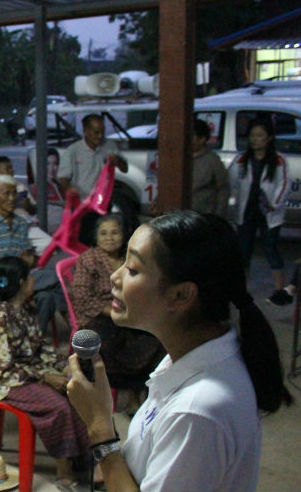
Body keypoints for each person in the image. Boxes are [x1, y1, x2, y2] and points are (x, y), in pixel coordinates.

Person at [65, 211, 293, 492]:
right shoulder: (191, 355)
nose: (115, 277)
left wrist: (100, 428)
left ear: (182, 295)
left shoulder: (196, 412)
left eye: (133, 269)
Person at [0, 257, 89, 487]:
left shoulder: (23, 308)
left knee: (77, 389)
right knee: (58, 406)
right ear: (23, 282)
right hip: (2, 382)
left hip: (26, 371)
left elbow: (40, 347)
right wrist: (45, 377)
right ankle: (64, 470)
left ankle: (84, 459)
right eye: (30, 277)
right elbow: (2, 367)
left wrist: (61, 366)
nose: (34, 280)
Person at [71, 215, 164, 396]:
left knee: (155, 337)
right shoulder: (89, 260)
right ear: (96, 237)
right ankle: (126, 389)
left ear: (123, 235)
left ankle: (141, 392)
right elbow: (82, 298)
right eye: (103, 233)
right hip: (100, 317)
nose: (109, 238)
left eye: (114, 233)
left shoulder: (128, 257)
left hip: (130, 312)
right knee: (108, 345)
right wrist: (116, 311)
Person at [0, 176, 67, 332]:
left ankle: (34, 335)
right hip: (1, 279)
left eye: (14, 193)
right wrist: (15, 261)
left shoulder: (20, 222)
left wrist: (29, 258)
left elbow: (26, 252)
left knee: (47, 297)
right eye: (6, 194)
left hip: (23, 276)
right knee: (56, 278)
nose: (12, 198)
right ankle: (73, 322)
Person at [229, 117, 291, 305]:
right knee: (244, 251)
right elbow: (232, 183)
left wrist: (275, 203)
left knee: (270, 248)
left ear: (269, 138)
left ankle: (279, 290)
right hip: (247, 211)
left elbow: (284, 184)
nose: (255, 139)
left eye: (259, 135)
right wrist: (232, 204)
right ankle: (242, 290)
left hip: (269, 212)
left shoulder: (279, 160)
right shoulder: (241, 159)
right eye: (252, 135)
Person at [57, 114, 129, 244]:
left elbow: (125, 168)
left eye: (102, 132)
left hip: (103, 203)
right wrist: (69, 188)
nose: (100, 136)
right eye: (96, 132)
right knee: (83, 241)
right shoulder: (74, 150)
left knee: (103, 241)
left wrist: (116, 160)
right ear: (85, 130)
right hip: (82, 205)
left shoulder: (110, 146)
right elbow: (63, 177)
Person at [0, 156, 52, 255]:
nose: (12, 171)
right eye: (7, 169)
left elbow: (33, 210)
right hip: (4, 231)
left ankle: (26, 261)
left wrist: (27, 205)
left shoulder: (20, 187)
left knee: (51, 245)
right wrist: (2, 209)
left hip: (26, 228)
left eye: (12, 168)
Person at [190, 119, 230, 217]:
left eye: (191, 136)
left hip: (203, 215)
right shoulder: (179, 158)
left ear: (202, 139)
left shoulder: (213, 160)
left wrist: (218, 215)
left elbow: (223, 189)